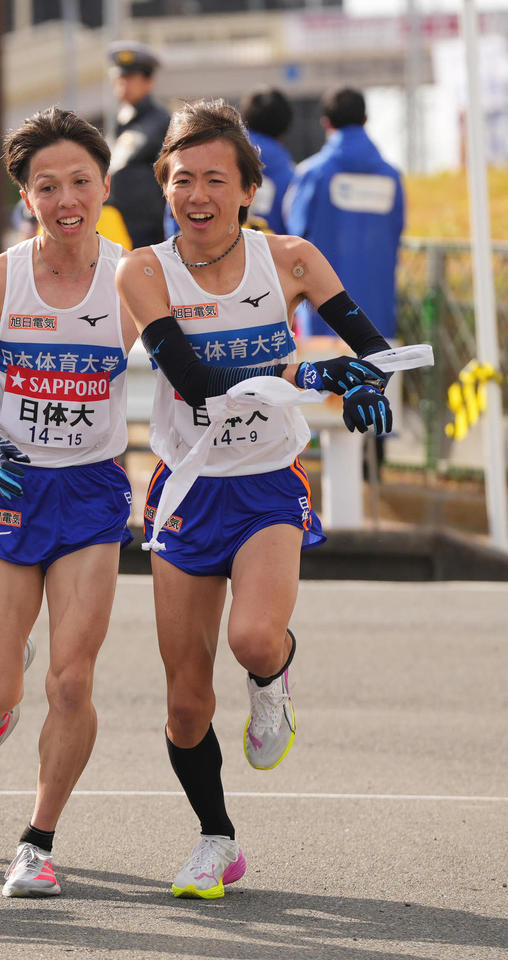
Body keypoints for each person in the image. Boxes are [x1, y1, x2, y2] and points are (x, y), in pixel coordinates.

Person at [115, 98, 395, 899]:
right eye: (179, 179)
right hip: (186, 488)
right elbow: (194, 382)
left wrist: (370, 385)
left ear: (247, 190)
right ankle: (216, 839)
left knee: (255, 639)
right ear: (165, 188)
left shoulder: (293, 260)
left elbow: (373, 349)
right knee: (183, 702)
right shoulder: (144, 270)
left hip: (269, 483)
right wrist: (308, 374)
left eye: (213, 179)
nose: (195, 195)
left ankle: (272, 686)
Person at [0, 107, 133, 897]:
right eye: (48, 185)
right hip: (11, 490)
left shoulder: (136, 278)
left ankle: (37, 841)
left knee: (72, 681)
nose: (68, 199)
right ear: (26, 196)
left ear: (102, 185)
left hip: (92, 490)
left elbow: (195, 361)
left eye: (81, 182)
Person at [284, 87, 404, 340]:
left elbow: (294, 237)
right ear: (365, 120)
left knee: (320, 378)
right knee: (380, 376)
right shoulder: (392, 177)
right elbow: (397, 230)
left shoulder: (312, 174)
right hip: (378, 318)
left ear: (326, 123)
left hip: (322, 317)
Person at [164, 86, 296, 238]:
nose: (199, 196)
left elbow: (174, 227)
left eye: (215, 180)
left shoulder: (195, 159)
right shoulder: (292, 177)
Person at [105, 42, 170, 249]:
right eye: (119, 79)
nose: (123, 84)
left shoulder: (159, 122)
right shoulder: (122, 120)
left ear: (148, 82)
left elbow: (120, 163)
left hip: (147, 228)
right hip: (120, 223)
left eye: (130, 78)